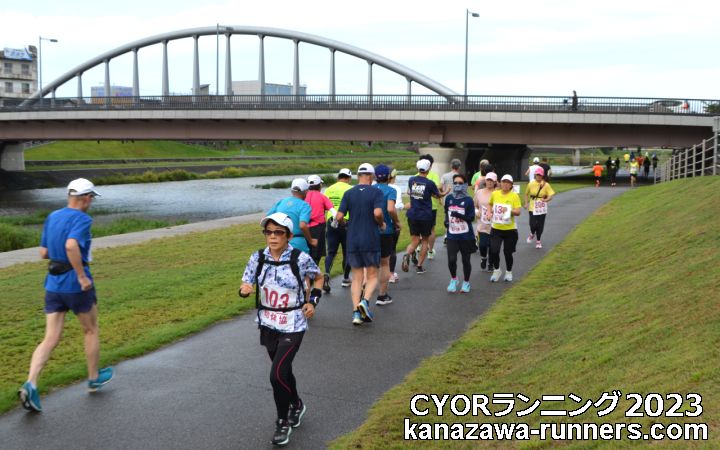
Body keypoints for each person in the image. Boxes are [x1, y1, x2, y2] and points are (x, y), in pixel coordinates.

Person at [18, 178, 114, 413]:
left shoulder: (53, 216)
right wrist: (81, 276)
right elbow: (71, 246)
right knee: (90, 330)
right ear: (85, 198)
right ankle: (93, 378)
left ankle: (31, 383)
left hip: (53, 284)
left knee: (50, 338)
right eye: (91, 198)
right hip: (75, 284)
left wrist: (59, 250)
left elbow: (44, 252)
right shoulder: (82, 219)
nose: (91, 202)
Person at [238, 212, 323, 446]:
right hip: (268, 322)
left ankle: (282, 422)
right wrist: (244, 289)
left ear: (289, 236)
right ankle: (297, 404)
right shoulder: (258, 257)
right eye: (268, 232)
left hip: (293, 322)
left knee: (276, 375)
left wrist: (312, 302)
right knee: (283, 371)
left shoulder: (300, 258)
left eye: (278, 232)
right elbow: (247, 281)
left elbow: (318, 277)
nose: (273, 237)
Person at [336, 163, 385, 325]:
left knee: (356, 278)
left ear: (358, 176)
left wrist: (344, 224)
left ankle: (356, 313)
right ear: (371, 176)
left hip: (353, 239)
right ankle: (365, 301)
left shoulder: (349, 193)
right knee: (372, 276)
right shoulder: (376, 192)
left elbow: (339, 216)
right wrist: (381, 223)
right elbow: (377, 212)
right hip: (370, 238)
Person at [402, 159, 442, 274]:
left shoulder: (411, 180)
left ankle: (407, 254)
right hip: (425, 216)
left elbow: (410, 193)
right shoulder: (430, 183)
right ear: (428, 169)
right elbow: (437, 195)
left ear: (418, 168)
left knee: (414, 240)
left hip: (412, 214)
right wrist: (446, 192)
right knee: (425, 240)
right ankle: (419, 267)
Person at [486, 174, 522, 282]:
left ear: (511, 185)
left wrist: (509, 211)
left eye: (508, 182)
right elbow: (490, 204)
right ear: (500, 183)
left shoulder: (514, 196)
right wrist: (489, 212)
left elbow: (518, 212)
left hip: (510, 230)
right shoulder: (495, 194)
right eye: (504, 182)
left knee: (507, 252)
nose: (505, 184)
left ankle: (509, 272)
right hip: (496, 228)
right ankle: (497, 270)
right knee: (494, 251)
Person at [267, 179, 317, 255]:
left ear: (291, 190)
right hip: (297, 242)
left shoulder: (281, 201)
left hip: (280, 240)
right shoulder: (305, 206)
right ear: (306, 191)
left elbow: (267, 219)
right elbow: (303, 225)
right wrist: (311, 240)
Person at [444, 174, 476, 293]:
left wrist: (459, 215)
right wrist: (446, 221)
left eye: (460, 183)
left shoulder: (468, 200)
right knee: (451, 259)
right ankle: (454, 279)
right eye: (455, 183)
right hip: (452, 234)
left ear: (465, 185)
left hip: (465, 236)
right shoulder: (449, 198)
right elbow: (446, 213)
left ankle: (466, 282)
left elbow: (471, 218)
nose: (457, 185)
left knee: (465, 260)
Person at [373, 164, 400, 305]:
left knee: (369, 263)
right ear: (389, 176)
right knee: (384, 263)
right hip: (386, 230)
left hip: (370, 231)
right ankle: (382, 296)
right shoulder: (391, 190)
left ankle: (364, 295)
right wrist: (397, 222)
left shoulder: (370, 190)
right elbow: (390, 209)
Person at [323, 169, 353, 290]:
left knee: (331, 252)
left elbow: (325, 207)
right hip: (346, 222)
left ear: (338, 177)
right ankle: (345, 278)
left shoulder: (328, 189)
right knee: (347, 251)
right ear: (349, 178)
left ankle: (326, 274)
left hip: (331, 222)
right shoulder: (350, 189)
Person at [414, 154, 447, 261]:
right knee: (431, 229)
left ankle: (418, 246)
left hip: (418, 206)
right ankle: (430, 251)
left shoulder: (415, 176)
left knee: (419, 228)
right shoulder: (434, 175)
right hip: (431, 206)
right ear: (430, 165)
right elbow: (437, 189)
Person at [304, 174, 335, 288]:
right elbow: (333, 211)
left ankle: (308, 279)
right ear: (319, 185)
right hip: (318, 228)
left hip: (304, 228)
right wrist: (337, 222)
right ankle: (313, 280)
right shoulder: (322, 197)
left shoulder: (303, 196)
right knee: (316, 255)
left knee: (305, 254)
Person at [524, 167, 555, 249]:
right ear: (535, 175)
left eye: (540, 175)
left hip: (542, 207)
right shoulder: (531, 184)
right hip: (532, 207)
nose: (538, 176)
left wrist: (546, 200)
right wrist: (526, 203)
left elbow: (551, 194)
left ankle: (538, 240)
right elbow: (526, 194)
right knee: (532, 224)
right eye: (537, 174)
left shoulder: (546, 185)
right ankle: (532, 233)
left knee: (540, 225)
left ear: (542, 176)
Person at [473, 171, 497, 272]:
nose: (489, 182)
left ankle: (491, 264)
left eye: (492, 180)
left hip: (495, 224)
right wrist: (476, 211)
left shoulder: (498, 193)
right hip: (482, 224)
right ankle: (483, 257)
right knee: (482, 245)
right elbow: (474, 205)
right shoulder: (479, 192)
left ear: (495, 182)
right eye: (488, 180)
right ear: (485, 181)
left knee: (492, 246)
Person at [440, 158, 463, 245]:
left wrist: (443, 193)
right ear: (459, 167)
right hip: (458, 200)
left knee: (447, 217)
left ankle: (447, 235)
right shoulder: (461, 177)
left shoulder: (444, 176)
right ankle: (456, 235)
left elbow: (440, 186)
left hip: (447, 200)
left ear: (451, 166)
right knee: (458, 218)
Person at [388, 168, 404, 284]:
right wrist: (397, 221)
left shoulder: (374, 186)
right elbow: (396, 206)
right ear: (393, 177)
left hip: (376, 223)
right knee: (392, 249)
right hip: (392, 222)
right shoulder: (395, 188)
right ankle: (391, 274)